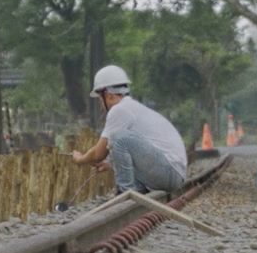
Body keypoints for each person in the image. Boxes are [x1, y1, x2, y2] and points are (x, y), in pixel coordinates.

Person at [70, 65, 189, 195]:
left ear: (107, 95)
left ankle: (127, 192)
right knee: (119, 140)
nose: (101, 105)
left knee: (117, 137)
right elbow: (139, 152)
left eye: (99, 100)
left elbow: (98, 154)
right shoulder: (132, 108)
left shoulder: (119, 109)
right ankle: (138, 191)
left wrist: (80, 160)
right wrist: (111, 164)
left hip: (169, 172)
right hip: (172, 173)